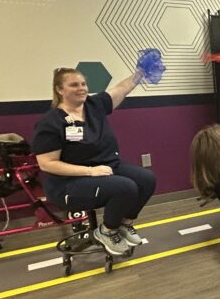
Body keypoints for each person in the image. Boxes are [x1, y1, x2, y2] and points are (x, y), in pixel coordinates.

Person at [31, 67, 156, 257]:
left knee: (147, 179)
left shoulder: (94, 105)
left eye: (83, 84)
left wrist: (140, 73)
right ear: (59, 89)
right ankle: (107, 231)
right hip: (68, 183)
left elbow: (121, 89)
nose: (81, 88)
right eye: (74, 85)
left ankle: (123, 224)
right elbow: (47, 163)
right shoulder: (51, 122)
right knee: (126, 187)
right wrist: (89, 171)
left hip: (106, 167)